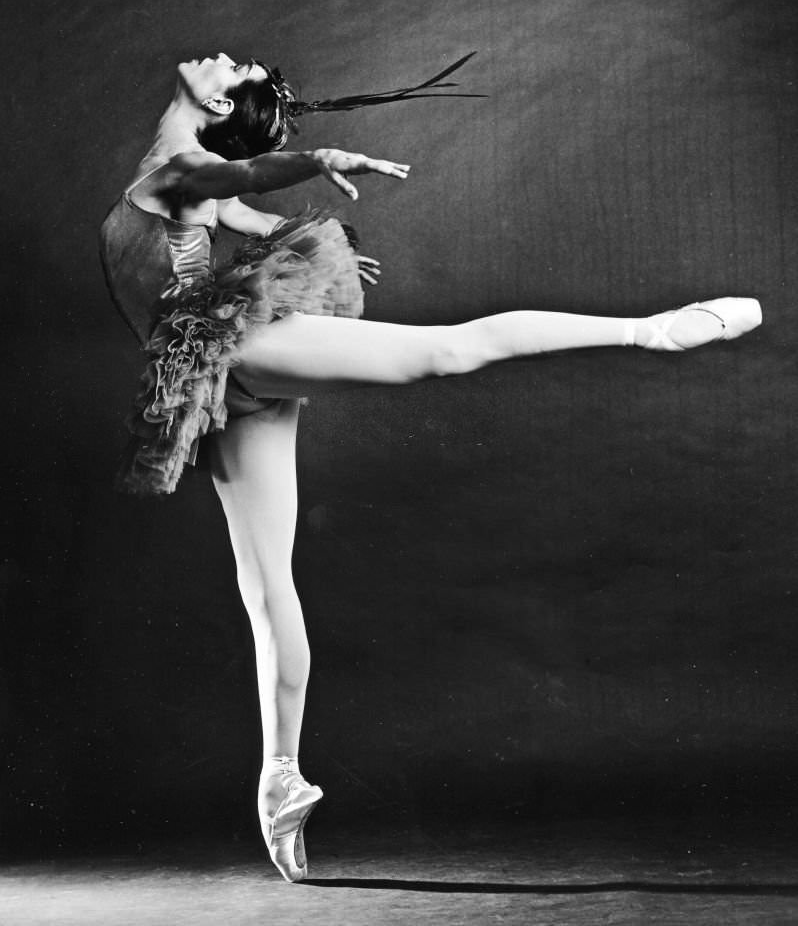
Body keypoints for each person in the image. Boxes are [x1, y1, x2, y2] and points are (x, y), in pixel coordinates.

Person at [100, 52, 762, 882]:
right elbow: (238, 188)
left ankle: (651, 328)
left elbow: (241, 175)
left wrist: (313, 169)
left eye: (235, 66)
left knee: (451, 350)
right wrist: (293, 213)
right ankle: (280, 780)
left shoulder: (183, 173)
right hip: (217, 377)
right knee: (266, 588)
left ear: (219, 97)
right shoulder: (182, 175)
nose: (223, 57)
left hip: (237, 350)